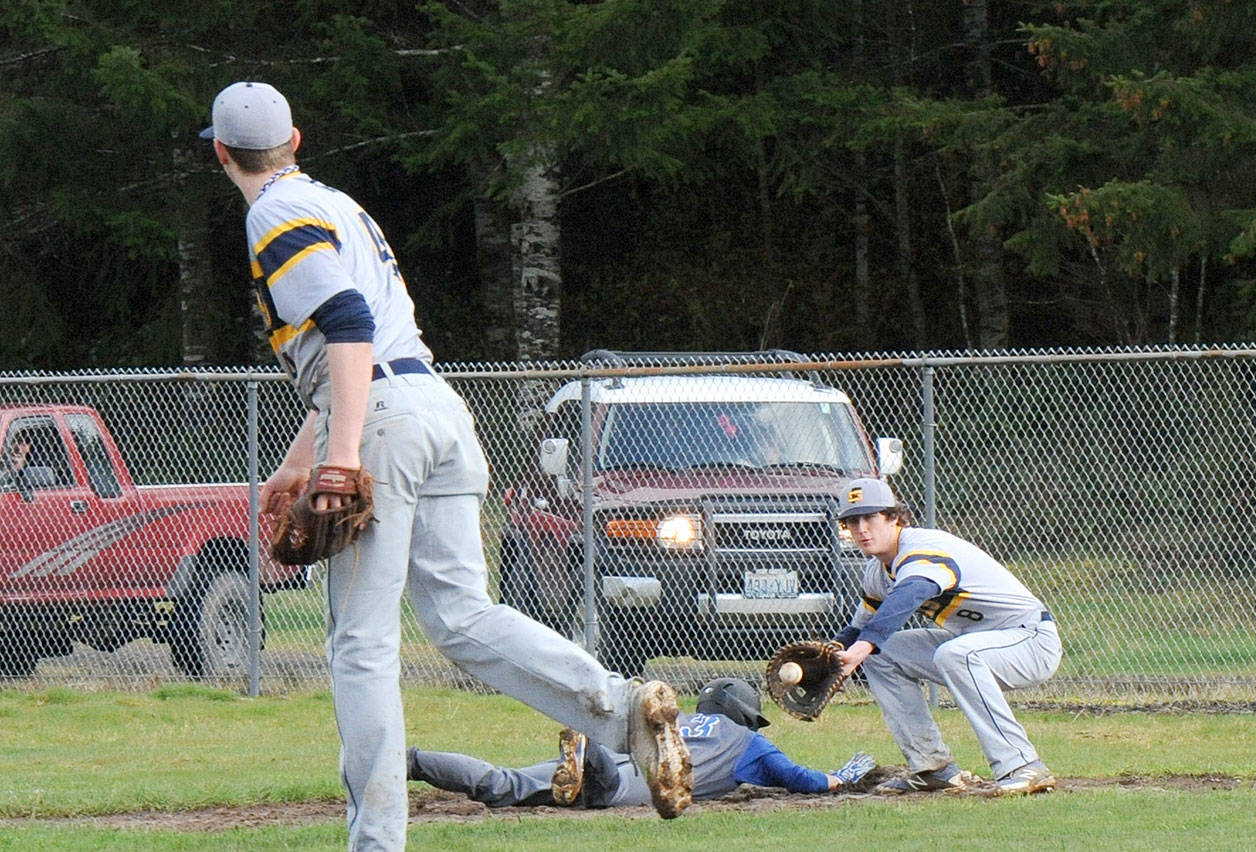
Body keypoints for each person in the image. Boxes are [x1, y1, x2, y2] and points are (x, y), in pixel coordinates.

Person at [200, 81, 692, 849]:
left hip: (384, 424)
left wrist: (338, 460)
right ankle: (622, 705)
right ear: (296, 139)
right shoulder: (336, 203)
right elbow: (361, 350)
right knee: (462, 616)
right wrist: (303, 459)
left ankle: (377, 842)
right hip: (436, 409)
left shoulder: (271, 211)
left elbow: (349, 326)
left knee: (360, 644)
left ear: (222, 153)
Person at [831, 477, 1061, 796]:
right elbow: (861, 626)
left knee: (955, 654)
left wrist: (862, 645)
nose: (861, 529)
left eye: (869, 517)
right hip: (976, 642)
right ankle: (933, 768)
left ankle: (1023, 766)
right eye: (851, 521)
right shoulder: (876, 571)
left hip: (1029, 640)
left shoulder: (922, 548)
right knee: (882, 655)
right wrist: (832, 654)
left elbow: (909, 595)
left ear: (895, 517)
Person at [406, 678, 876, 808]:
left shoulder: (681, 720)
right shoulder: (747, 745)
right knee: (604, 792)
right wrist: (839, 778)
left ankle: (409, 760)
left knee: (502, 782)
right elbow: (799, 780)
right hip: (634, 785)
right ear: (744, 717)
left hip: (624, 753)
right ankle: (588, 756)